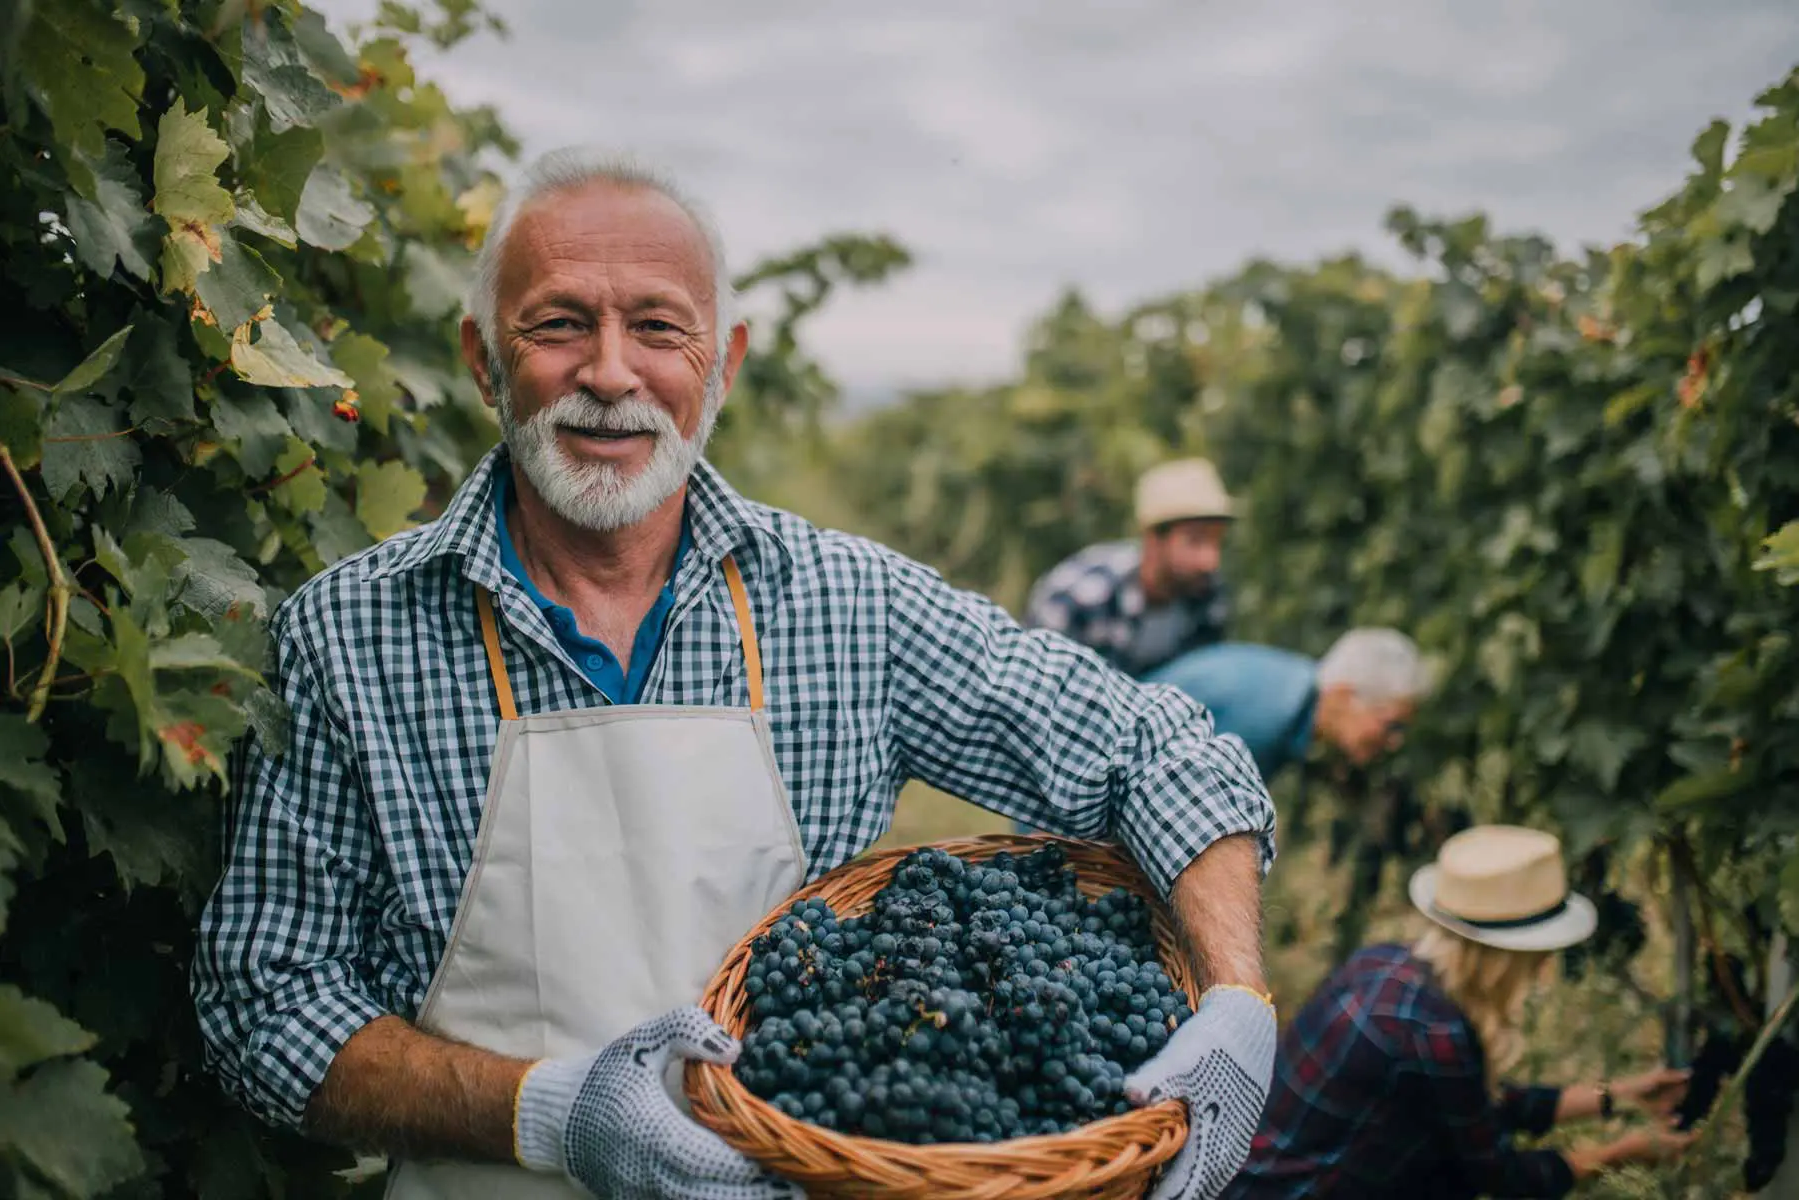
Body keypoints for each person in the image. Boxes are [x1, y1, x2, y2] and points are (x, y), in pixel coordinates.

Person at [189, 148, 1281, 1200]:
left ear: (725, 363)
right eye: (560, 324)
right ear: (484, 359)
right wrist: (550, 1114)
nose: (611, 373)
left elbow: (1161, 751)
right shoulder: (348, 636)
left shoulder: (853, 606)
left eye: (659, 328)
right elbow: (264, 1005)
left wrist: (1238, 1000)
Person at [1222, 824, 1695, 1199]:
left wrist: (1618, 1096)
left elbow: (1470, 1101)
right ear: (1511, 958)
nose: (1547, 964)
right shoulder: (1433, 1032)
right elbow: (1497, 1173)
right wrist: (1625, 1152)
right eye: (1540, 953)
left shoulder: (1385, 963)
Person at [1024, 457, 1234, 678]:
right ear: (1154, 539)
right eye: (1196, 541)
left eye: (1217, 542)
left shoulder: (1207, 595)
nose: (1211, 561)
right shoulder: (1079, 598)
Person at [1140, 628, 1429, 784]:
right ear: (1344, 695)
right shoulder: (1267, 718)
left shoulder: (1294, 692)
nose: (1394, 742)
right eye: (1391, 724)